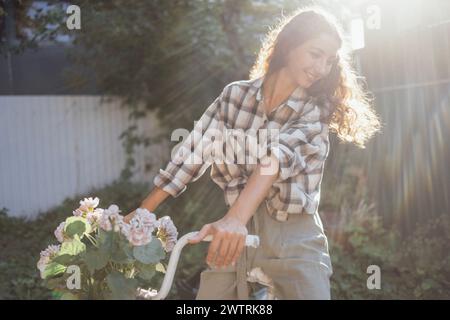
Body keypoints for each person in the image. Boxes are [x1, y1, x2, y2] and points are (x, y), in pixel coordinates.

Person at [124, 6, 381, 299]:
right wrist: (142, 212)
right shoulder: (235, 96)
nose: (322, 68)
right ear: (289, 45)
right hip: (236, 234)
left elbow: (275, 160)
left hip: (293, 236)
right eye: (315, 54)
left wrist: (234, 219)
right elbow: (192, 152)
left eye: (329, 60)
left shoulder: (315, 109)